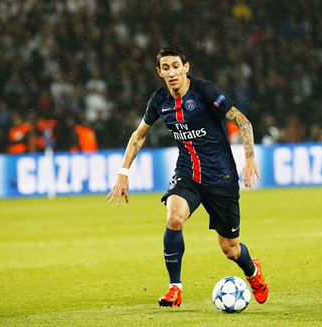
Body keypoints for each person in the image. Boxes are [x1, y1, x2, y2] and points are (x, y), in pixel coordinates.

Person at [107, 45, 268, 308]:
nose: (172, 73)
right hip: (188, 173)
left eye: (176, 66)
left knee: (230, 249)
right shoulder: (160, 100)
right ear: (159, 72)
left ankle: (252, 271)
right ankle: (175, 288)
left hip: (221, 177)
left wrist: (249, 158)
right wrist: (123, 172)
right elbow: (138, 135)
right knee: (174, 217)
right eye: (166, 68)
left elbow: (243, 121)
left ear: (186, 68)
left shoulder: (205, 91)